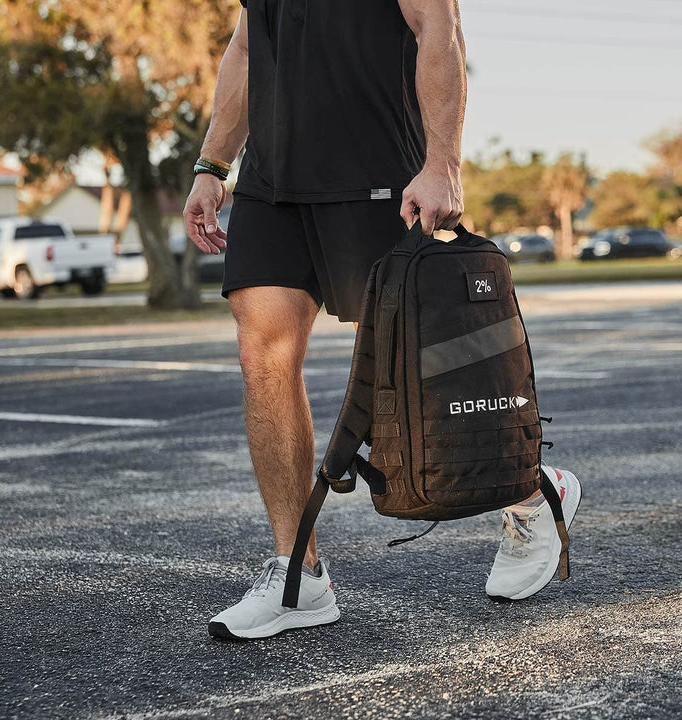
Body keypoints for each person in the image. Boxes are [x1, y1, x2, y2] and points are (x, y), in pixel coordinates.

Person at [183, 0, 582, 641]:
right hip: (270, 184)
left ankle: (531, 492)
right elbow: (248, 49)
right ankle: (298, 576)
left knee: (417, 361)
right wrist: (212, 165)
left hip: (374, 171)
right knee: (263, 354)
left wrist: (443, 163)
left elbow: (438, 28)